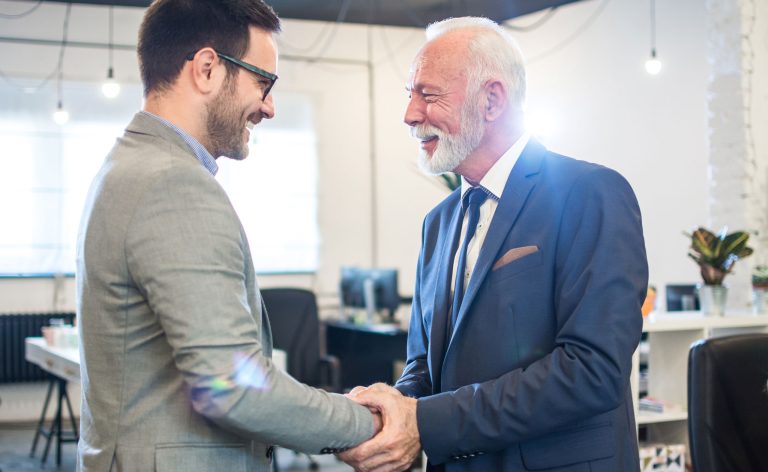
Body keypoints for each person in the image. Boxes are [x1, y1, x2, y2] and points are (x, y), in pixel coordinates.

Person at [76, 1, 378, 470]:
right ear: (207, 69)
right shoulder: (171, 183)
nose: (270, 107)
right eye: (263, 82)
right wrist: (369, 425)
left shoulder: (128, 163)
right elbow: (232, 386)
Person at [339, 16, 648, 472]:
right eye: (410, 95)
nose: (410, 114)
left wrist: (426, 420)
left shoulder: (590, 192)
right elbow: (427, 365)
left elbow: (591, 371)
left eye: (428, 94)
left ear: (491, 100)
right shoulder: (439, 222)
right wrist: (391, 410)